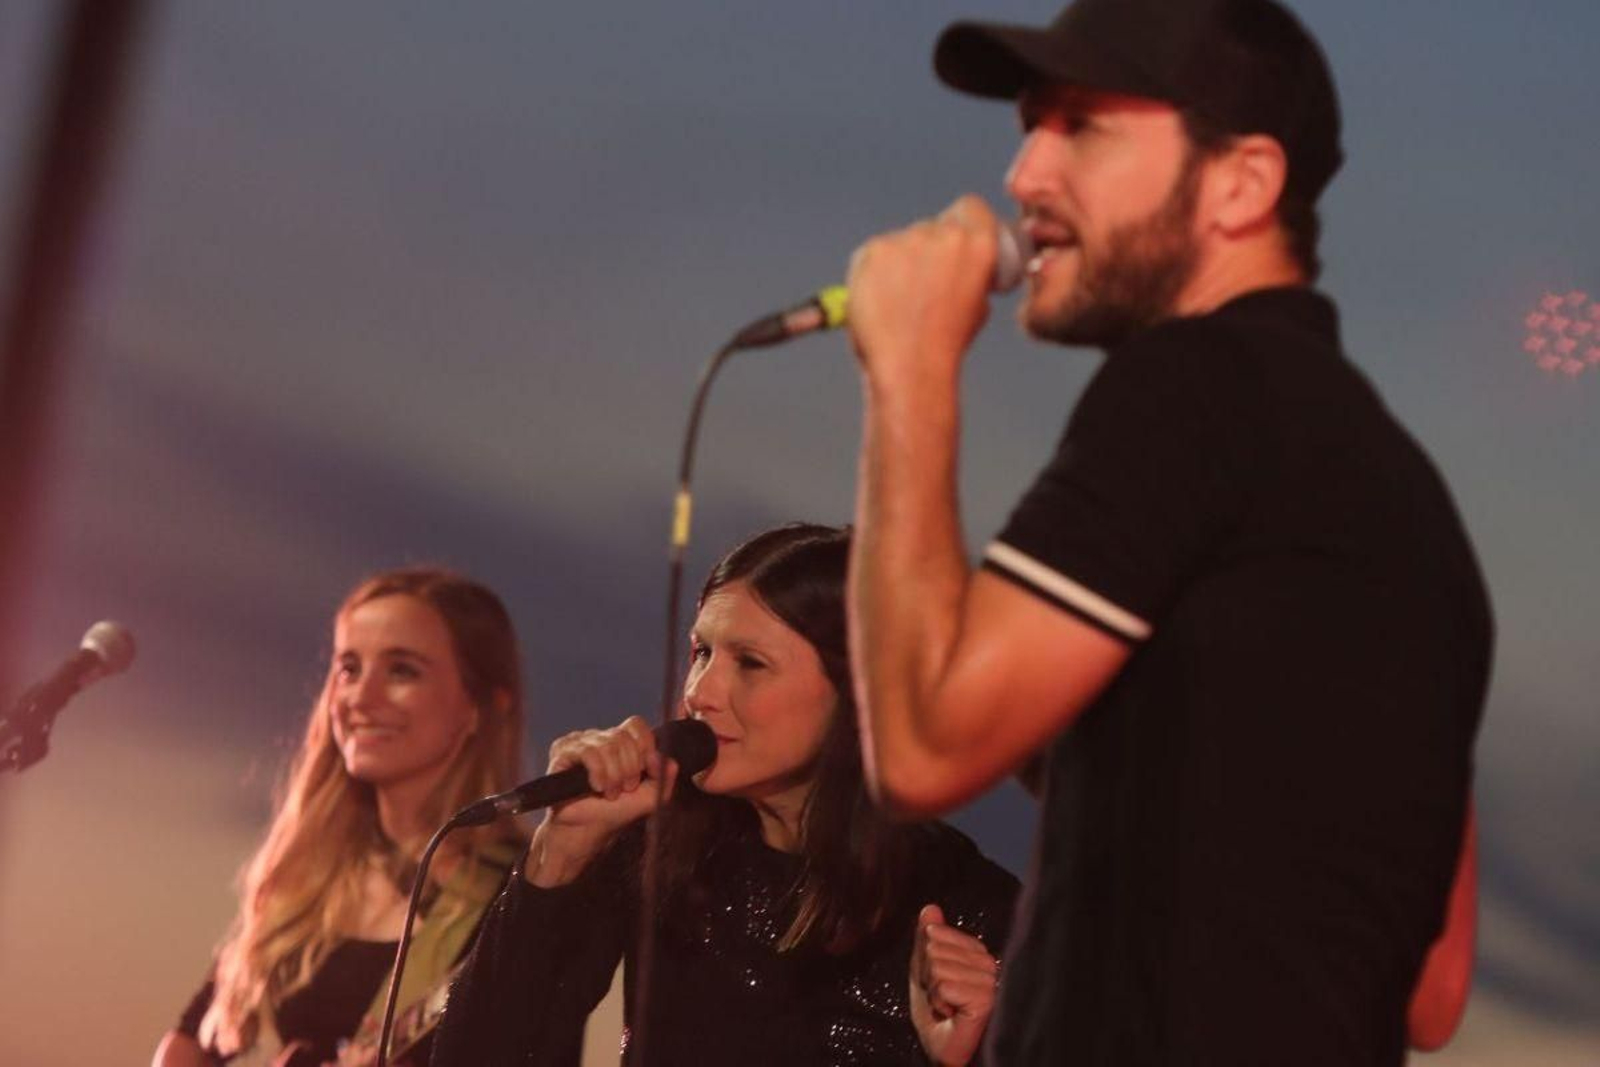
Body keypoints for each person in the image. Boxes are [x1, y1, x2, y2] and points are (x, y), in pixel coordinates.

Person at [841, 2, 1492, 1065]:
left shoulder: (1196, 384)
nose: (1024, 175)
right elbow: (1431, 986)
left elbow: (919, 748)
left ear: (1241, 183)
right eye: (1029, 125)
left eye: (1082, 126)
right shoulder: (1406, 509)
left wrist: (908, 366)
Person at [430, 523, 1018, 1066]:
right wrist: (561, 850)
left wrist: (962, 1058)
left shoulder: (971, 905)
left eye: (751, 663)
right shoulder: (659, 850)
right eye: (701, 653)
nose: (701, 692)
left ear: (857, 692)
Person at [152, 567, 527, 1067]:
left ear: (480, 707)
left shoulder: (520, 886)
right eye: (349, 669)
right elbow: (190, 1041)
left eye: (402, 671)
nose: (361, 699)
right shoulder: (309, 873)